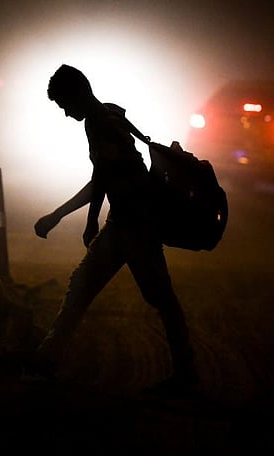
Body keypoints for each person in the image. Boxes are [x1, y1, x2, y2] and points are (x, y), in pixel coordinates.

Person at [24, 64, 199, 395]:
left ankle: (186, 373)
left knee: (160, 298)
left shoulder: (101, 123)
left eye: (64, 105)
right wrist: (87, 218)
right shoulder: (105, 116)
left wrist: (66, 217)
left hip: (136, 225)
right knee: (82, 285)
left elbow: (102, 179)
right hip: (123, 223)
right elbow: (103, 175)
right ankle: (46, 359)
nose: (65, 114)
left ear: (78, 95)